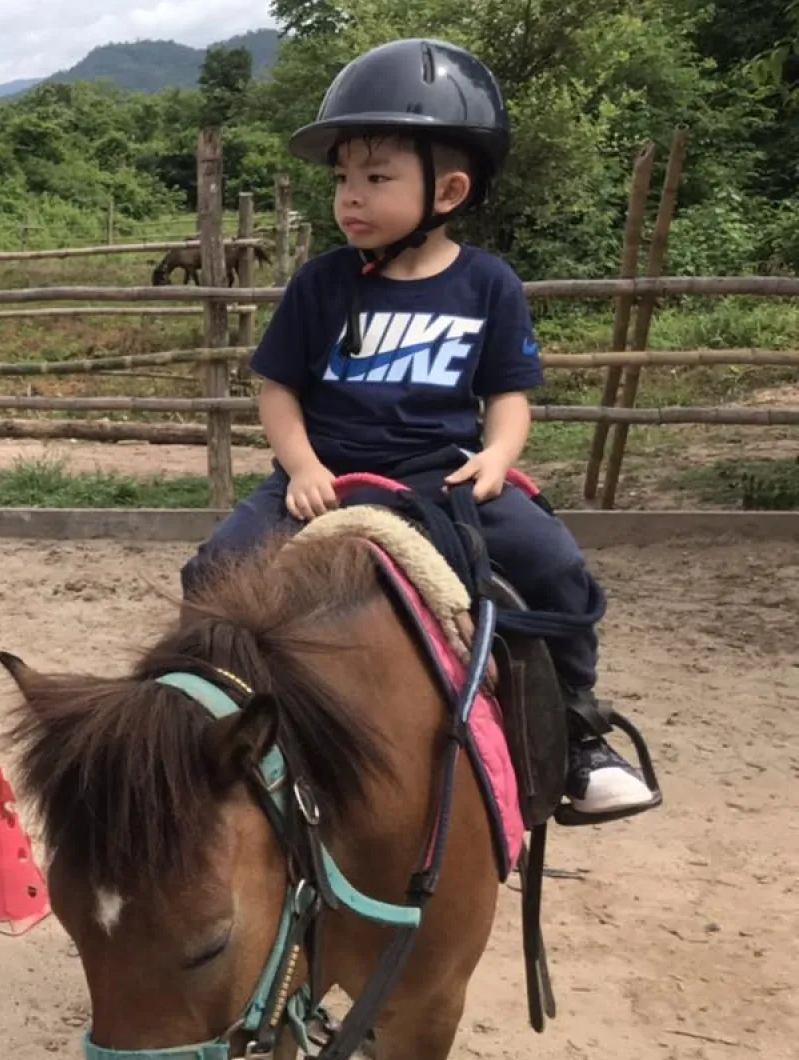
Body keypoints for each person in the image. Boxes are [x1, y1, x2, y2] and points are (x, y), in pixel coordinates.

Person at [179, 39, 659, 824]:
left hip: (442, 472)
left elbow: (508, 396)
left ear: (449, 190)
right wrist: (298, 468)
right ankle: (204, 727)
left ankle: (578, 731)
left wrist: (500, 456)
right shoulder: (322, 282)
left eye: (375, 178)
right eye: (342, 179)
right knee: (212, 571)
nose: (350, 197)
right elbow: (277, 389)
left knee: (557, 567)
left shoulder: (487, 285)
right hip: (326, 473)